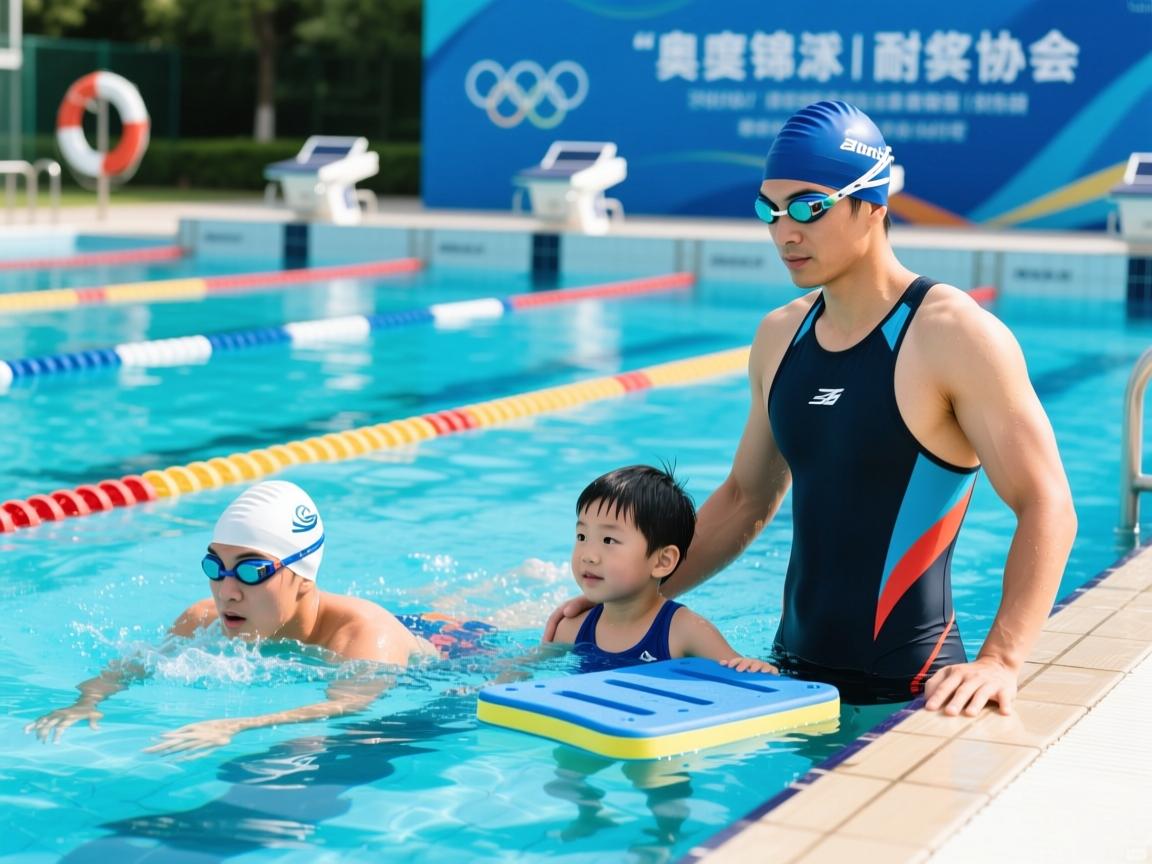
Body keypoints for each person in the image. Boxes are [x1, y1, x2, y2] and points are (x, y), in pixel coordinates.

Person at [548, 101, 1077, 715]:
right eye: (770, 210)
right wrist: (633, 593)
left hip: (906, 687)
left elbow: (1047, 504)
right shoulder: (781, 336)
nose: (784, 231)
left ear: (873, 204)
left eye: (808, 206)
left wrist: (1001, 660)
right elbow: (746, 498)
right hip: (787, 676)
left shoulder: (952, 334)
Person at [27, 480, 490, 753]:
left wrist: (236, 725)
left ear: (304, 574)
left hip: (455, 649)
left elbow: (345, 706)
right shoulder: (202, 617)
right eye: (216, 566)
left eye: (250, 570)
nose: (227, 589)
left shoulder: (363, 635)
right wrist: (87, 701)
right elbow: (134, 663)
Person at [545, 464, 775, 673]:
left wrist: (754, 667)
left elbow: (739, 672)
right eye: (582, 536)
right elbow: (528, 671)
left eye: (608, 540)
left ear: (662, 561)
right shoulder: (572, 629)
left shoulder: (684, 631)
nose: (588, 555)